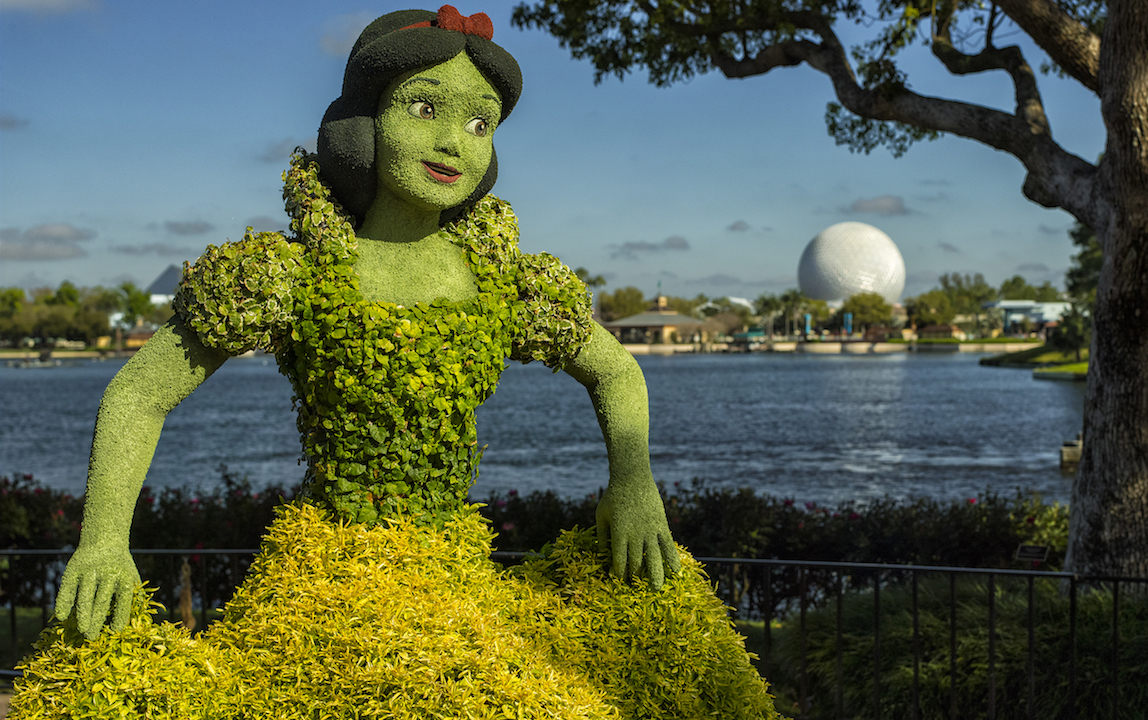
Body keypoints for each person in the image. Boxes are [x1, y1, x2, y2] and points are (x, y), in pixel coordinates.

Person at [13, 8, 776, 719]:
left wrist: (634, 484)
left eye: (479, 123)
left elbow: (616, 369)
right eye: (424, 108)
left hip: (458, 575)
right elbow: (141, 394)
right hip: (333, 574)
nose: (453, 141)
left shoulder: (505, 284)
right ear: (366, 122)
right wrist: (104, 539)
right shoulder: (294, 273)